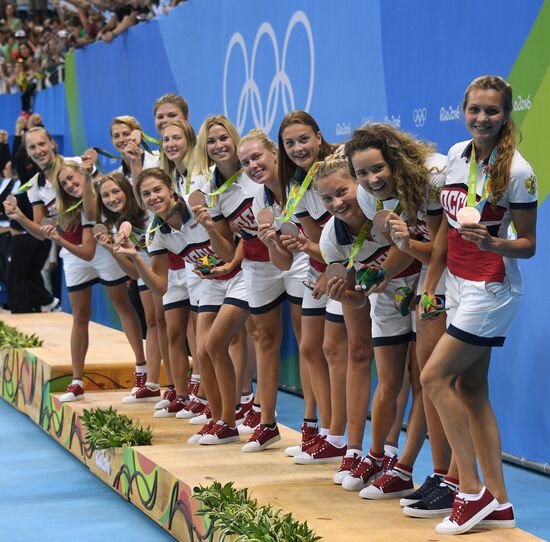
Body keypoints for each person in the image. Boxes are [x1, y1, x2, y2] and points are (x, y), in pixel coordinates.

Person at [420, 75, 537, 535]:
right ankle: (501, 503)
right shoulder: (455, 156)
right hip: (457, 283)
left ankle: (471, 492)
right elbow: (447, 229)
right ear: (463, 110)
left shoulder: (518, 171)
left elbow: (527, 245)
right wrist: (431, 283)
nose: (482, 119)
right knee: (471, 391)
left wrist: (495, 242)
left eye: (492, 111)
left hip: (492, 287)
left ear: (506, 114)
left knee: (433, 376)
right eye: (475, 110)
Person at [344, 124, 457, 507]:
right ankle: (436, 474)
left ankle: (452, 481)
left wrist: (426, 290)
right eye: (362, 173)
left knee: (443, 379)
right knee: (429, 376)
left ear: (395, 160)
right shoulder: (368, 196)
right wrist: (384, 272)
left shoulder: (434, 177)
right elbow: (413, 245)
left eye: (378, 168)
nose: (372, 179)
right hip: (434, 270)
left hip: (461, 271)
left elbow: (442, 247)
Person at [3, 128, 146, 401]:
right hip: (71, 251)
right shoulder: (34, 185)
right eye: (32, 147)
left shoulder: (77, 165)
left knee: (122, 304)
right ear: (29, 153)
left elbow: (107, 194)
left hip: (100, 244)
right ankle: (77, 381)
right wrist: (20, 217)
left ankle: (141, 371)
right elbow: (40, 230)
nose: (38, 150)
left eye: (41, 144)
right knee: (79, 316)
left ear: (52, 144)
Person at [130, 167, 243, 445]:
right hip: (211, 282)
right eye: (146, 194)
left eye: (157, 190)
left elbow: (229, 252)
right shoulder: (155, 232)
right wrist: (135, 257)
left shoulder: (198, 206)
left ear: (171, 189)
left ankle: (230, 419)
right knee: (202, 351)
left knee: (214, 346)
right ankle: (218, 421)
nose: (153, 197)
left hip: (241, 274)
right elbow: (160, 286)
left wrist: (208, 227)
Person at [277, 111, 347, 464]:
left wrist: (316, 255)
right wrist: (302, 247)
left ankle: (337, 437)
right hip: (320, 270)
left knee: (336, 350)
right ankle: (323, 433)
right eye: (290, 143)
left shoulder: (343, 166)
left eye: (303, 139)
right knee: (309, 347)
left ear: (319, 137)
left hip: (348, 272)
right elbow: (318, 242)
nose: (298, 148)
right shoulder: (298, 185)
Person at [235, 128, 308, 452]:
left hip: (310, 260)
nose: (253, 165)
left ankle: (312, 428)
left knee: (308, 343)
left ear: (275, 154)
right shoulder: (256, 201)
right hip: (276, 263)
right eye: (246, 162)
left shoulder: (302, 188)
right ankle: (267, 423)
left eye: (257, 157)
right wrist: (270, 243)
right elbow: (282, 261)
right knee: (264, 339)